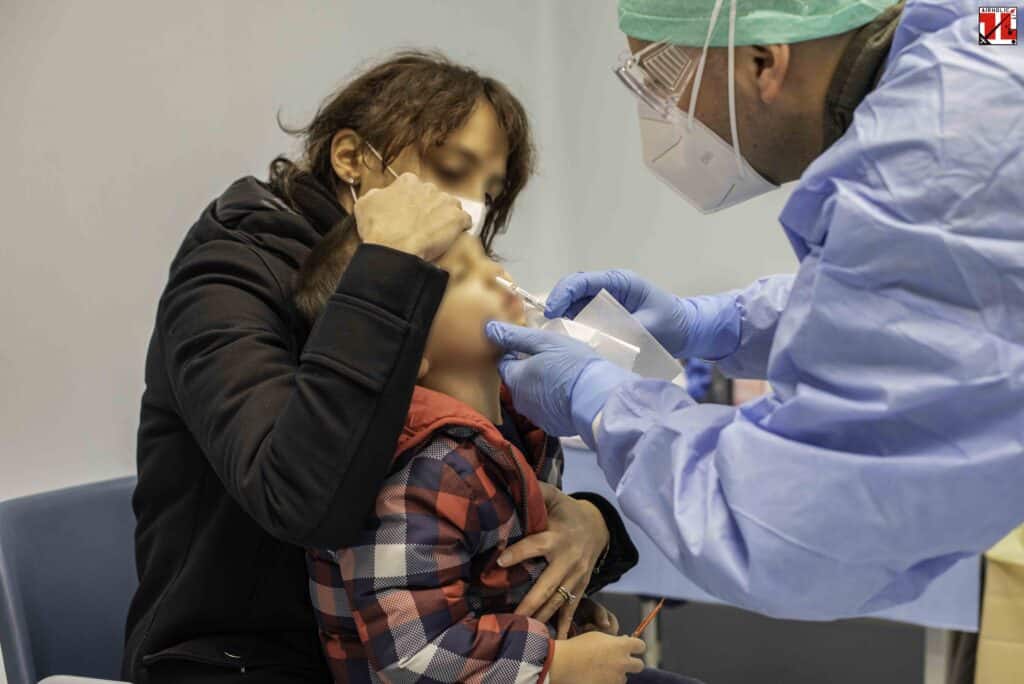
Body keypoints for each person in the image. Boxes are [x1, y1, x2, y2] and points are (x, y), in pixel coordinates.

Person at [487, 0, 1024, 621]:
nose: (656, 112)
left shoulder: (936, 167)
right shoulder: (976, 38)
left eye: (659, 77)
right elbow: (933, 295)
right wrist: (721, 323)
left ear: (765, 60)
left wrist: (606, 403)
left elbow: (789, 537)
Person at [126, 51, 630, 683]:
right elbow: (303, 498)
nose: (466, 207)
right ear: (353, 160)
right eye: (451, 171)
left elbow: (486, 527)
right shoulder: (227, 279)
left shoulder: (432, 311)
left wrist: (592, 524)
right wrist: (389, 271)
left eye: (488, 192)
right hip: (244, 662)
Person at [296, 223, 700, 684]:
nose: (496, 273)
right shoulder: (421, 471)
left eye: (485, 256)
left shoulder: (518, 429)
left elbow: (490, 590)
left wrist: (566, 619)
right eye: (461, 275)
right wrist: (556, 665)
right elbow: (411, 655)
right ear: (404, 351)